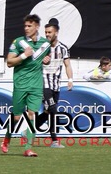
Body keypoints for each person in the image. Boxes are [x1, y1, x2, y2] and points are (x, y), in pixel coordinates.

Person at [2, 14, 51, 157]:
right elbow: (9, 62)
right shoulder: (18, 42)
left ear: (37, 27)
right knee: (17, 118)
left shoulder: (45, 44)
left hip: (36, 85)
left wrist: (46, 61)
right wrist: (24, 55)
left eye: (29, 26)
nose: (26, 28)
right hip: (21, 84)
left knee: (32, 115)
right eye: (25, 26)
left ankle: (28, 148)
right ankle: (6, 140)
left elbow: (42, 59)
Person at [42, 18, 74, 148]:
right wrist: (40, 61)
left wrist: (70, 79)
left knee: (48, 112)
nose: (47, 35)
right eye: (46, 32)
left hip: (56, 84)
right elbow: (31, 63)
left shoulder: (63, 48)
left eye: (49, 32)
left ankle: (27, 132)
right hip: (43, 83)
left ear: (56, 32)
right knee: (53, 109)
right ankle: (55, 141)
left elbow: (67, 65)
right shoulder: (42, 47)